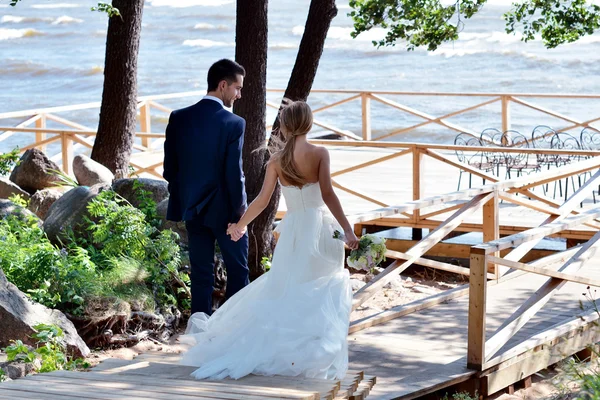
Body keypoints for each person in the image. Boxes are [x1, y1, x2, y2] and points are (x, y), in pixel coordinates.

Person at [180, 100, 360, 381]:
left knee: (288, 287)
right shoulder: (320, 153)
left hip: (293, 231)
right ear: (309, 124)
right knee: (321, 286)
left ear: (285, 126)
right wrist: (347, 230)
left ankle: (289, 349)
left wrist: (240, 225)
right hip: (321, 230)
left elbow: (262, 201)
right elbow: (328, 194)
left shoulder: (277, 160)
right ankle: (312, 350)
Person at [163, 59, 249, 316]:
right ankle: (229, 325)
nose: (239, 94)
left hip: (192, 210)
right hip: (226, 215)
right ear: (223, 85)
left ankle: (199, 330)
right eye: (237, 88)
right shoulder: (234, 123)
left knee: (201, 275)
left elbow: (170, 170)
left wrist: (189, 197)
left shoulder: (179, 117)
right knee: (239, 272)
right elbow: (235, 175)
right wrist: (241, 215)